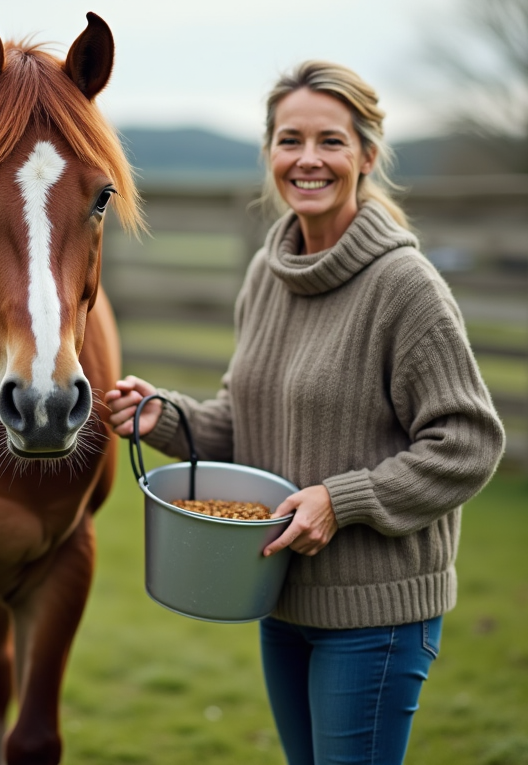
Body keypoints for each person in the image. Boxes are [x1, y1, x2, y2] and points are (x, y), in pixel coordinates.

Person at [105, 61, 505, 765]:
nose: (308, 159)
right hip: (282, 597)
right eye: (290, 140)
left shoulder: (404, 287)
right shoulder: (269, 273)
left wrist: (341, 500)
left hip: (377, 614)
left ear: (367, 157)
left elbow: (468, 441)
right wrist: (162, 418)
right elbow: (246, 418)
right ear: (269, 155)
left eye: (331, 141)